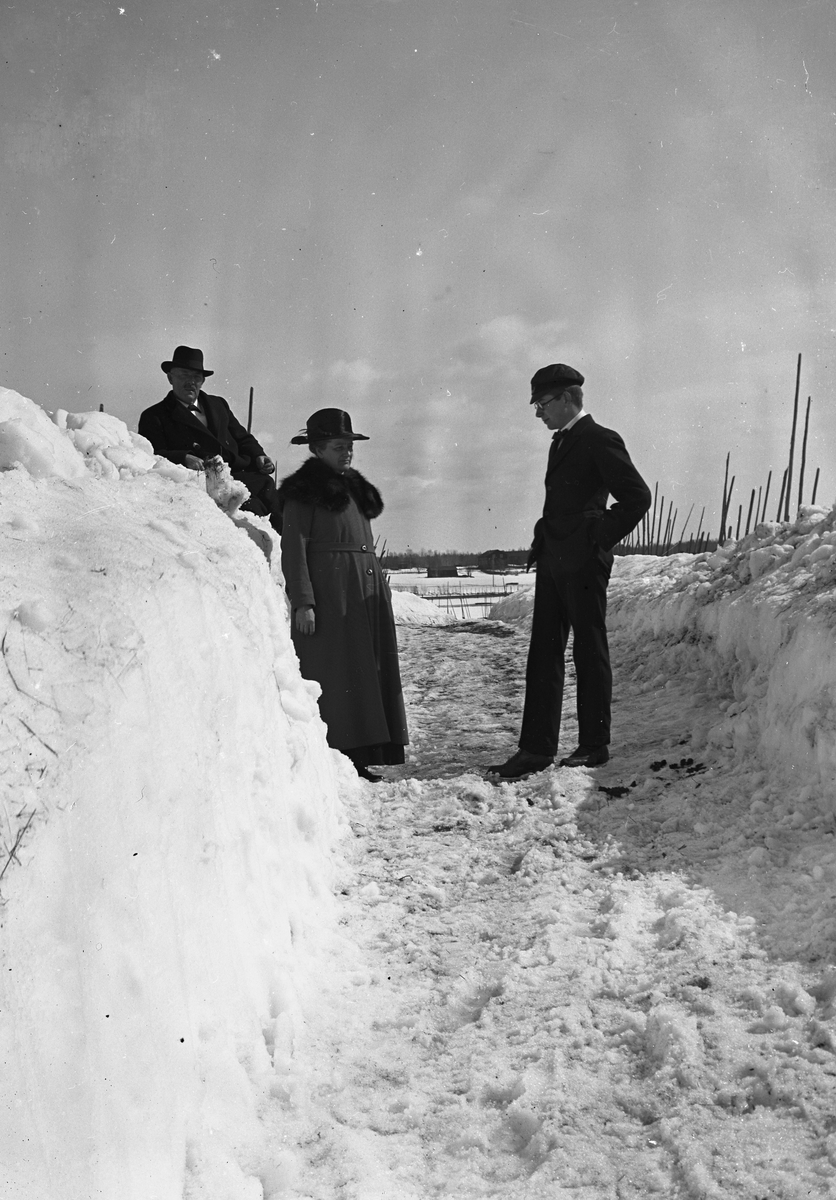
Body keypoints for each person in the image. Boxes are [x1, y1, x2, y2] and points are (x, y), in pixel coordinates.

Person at [488, 364, 651, 779]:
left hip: (583, 560)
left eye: (542, 403)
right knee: (543, 652)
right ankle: (535, 749)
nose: (538, 412)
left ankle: (594, 744)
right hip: (554, 558)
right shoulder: (560, 442)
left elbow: (637, 497)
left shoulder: (599, 438)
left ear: (566, 398)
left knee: (588, 649)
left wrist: (596, 536)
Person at [277, 408, 408, 781]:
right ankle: (343, 756)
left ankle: (366, 752)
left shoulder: (352, 487)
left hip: (363, 590)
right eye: (338, 446)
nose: (347, 452)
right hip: (333, 594)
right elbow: (294, 548)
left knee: (368, 671)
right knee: (340, 673)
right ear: (317, 449)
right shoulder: (304, 493)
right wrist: (304, 601)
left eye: (350, 445)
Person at [138, 345, 283, 533]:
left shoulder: (218, 404)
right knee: (251, 514)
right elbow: (152, 456)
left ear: (203, 380)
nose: (190, 382)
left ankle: (285, 545)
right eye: (184, 375)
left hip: (239, 473)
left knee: (274, 501)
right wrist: (184, 457)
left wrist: (258, 456)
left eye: (196, 377)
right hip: (205, 483)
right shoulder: (154, 416)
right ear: (170, 378)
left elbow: (242, 437)